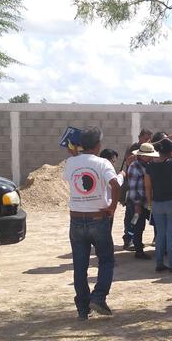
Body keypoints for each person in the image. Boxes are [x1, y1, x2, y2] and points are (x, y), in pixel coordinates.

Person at [63, 127, 121, 321]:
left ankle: (82, 308)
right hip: (98, 219)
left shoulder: (71, 162)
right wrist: (112, 207)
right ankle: (98, 297)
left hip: (76, 219)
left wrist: (74, 156)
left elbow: (73, 175)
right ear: (98, 145)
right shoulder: (103, 163)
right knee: (106, 260)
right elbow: (115, 185)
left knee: (80, 266)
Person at [145, 138, 172, 273]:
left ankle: (159, 263)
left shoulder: (150, 166)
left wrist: (150, 202)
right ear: (171, 152)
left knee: (160, 234)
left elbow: (147, 186)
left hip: (157, 203)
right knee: (171, 235)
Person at [126, 142, 156, 259]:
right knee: (138, 226)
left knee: (152, 223)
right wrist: (137, 204)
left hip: (146, 201)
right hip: (138, 202)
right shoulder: (135, 166)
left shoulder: (146, 165)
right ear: (143, 155)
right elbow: (133, 187)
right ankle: (138, 250)